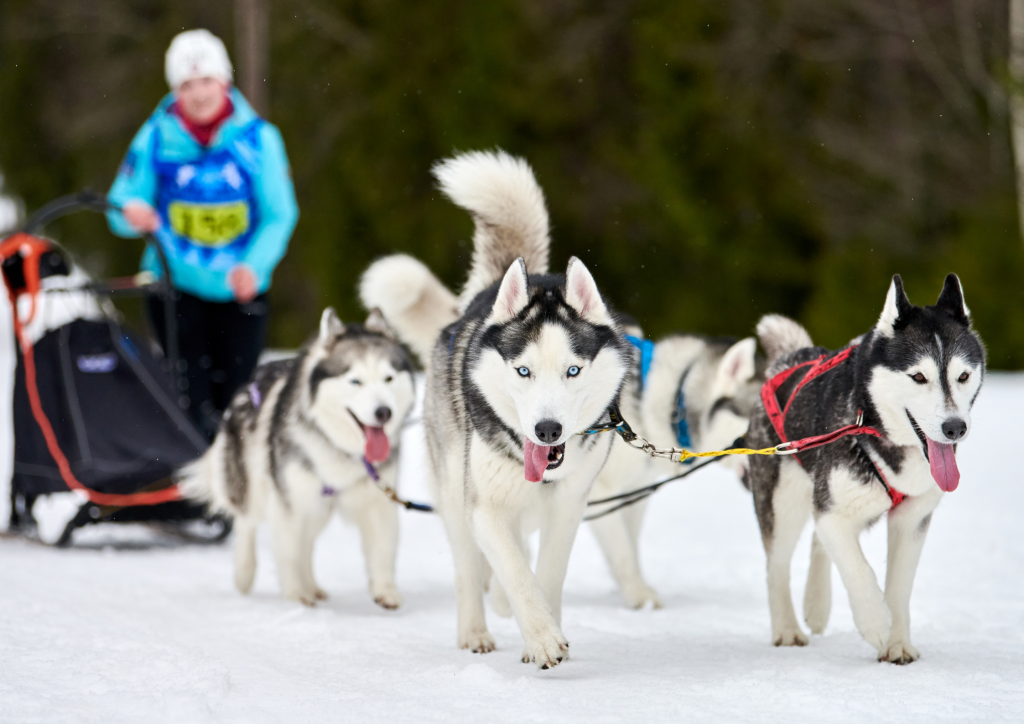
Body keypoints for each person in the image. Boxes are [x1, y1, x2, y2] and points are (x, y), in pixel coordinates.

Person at [107, 29, 298, 438]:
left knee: (236, 402)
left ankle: (234, 490)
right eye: (187, 85)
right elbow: (119, 206)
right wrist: (131, 212)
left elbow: (280, 214)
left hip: (239, 288)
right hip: (173, 286)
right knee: (188, 401)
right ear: (175, 90)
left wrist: (254, 265)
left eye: (206, 81)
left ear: (225, 82)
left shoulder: (259, 139)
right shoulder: (156, 136)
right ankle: (191, 493)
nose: (198, 94)